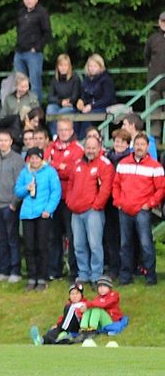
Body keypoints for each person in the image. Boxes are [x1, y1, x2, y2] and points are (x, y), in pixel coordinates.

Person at [112, 133, 164, 285]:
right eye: (137, 144)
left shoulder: (156, 166)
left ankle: (150, 276)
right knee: (125, 244)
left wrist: (150, 203)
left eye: (142, 144)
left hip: (142, 210)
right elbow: (116, 185)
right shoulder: (123, 163)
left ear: (148, 147)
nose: (139, 147)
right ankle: (125, 276)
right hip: (124, 209)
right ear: (133, 146)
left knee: (146, 244)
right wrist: (118, 201)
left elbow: (161, 189)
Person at [67, 136, 114, 285]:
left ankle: (96, 275)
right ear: (84, 148)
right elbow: (70, 184)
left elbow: (106, 188)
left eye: (93, 148)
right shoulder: (77, 164)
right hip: (76, 210)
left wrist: (97, 205)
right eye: (88, 147)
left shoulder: (105, 164)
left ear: (99, 148)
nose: (90, 151)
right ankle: (83, 274)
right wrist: (70, 201)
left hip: (93, 211)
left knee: (95, 244)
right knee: (78, 244)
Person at [14, 147, 61, 290]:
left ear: (41, 158)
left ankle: (42, 277)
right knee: (29, 247)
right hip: (28, 214)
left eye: (37, 158)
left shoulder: (50, 172)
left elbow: (56, 192)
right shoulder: (25, 172)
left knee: (42, 246)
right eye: (32, 158)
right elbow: (17, 190)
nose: (34, 161)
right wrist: (26, 188)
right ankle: (31, 276)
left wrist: (48, 209)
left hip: (43, 214)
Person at [45, 117, 83, 281]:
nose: (63, 133)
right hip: (53, 199)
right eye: (60, 130)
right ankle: (55, 270)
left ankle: (75, 271)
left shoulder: (78, 149)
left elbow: (73, 172)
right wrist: (61, 167)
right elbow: (46, 169)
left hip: (69, 198)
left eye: (66, 130)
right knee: (53, 236)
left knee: (72, 236)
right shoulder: (50, 147)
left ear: (72, 131)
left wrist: (59, 167)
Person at [0, 130, 25, 283]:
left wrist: (14, 203)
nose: (2, 143)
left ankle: (15, 270)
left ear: (10, 142)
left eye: (5, 140)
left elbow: (20, 183)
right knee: (1, 239)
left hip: (9, 205)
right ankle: (3, 270)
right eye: (0, 140)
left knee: (12, 239)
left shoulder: (17, 160)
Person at [14, 0, 51, 100]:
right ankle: (22, 110)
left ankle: (36, 112)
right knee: (20, 84)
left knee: (35, 85)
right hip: (19, 52)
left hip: (33, 54)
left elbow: (47, 33)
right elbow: (18, 30)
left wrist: (37, 48)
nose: (28, 1)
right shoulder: (21, 12)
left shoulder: (42, 12)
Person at [76, 54, 116, 137]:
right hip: (88, 107)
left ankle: (83, 139)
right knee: (75, 115)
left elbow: (107, 99)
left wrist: (91, 106)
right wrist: (81, 102)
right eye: (90, 66)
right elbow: (84, 95)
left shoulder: (106, 79)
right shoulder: (87, 80)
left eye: (95, 66)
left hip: (104, 107)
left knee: (88, 117)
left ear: (100, 66)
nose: (92, 68)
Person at [78, 276, 126, 340]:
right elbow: (94, 304)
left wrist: (88, 305)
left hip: (111, 321)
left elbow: (104, 304)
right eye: (100, 287)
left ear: (109, 287)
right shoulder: (98, 298)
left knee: (96, 309)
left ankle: (92, 330)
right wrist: (85, 307)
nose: (101, 289)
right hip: (101, 322)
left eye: (104, 286)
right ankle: (83, 329)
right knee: (89, 309)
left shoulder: (114, 295)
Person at [46, 54, 82, 137]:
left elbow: (75, 96)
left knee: (61, 113)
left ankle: (63, 136)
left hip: (71, 105)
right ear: (57, 66)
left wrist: (67, 102)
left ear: (69, 66)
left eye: (65, 65)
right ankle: (55, 136)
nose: (63, 67)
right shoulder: (55, 79)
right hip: (59, 104)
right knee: (50, 109)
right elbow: (50, 97)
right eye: (61, 65)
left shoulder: (75, 78)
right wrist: (60, 102)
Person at [145, 12, 165, 140]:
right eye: (163, 21)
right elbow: (146, 57)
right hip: (154, 82)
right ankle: (154, 140)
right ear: (159, 22)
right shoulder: (153, 39)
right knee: (154, 114)